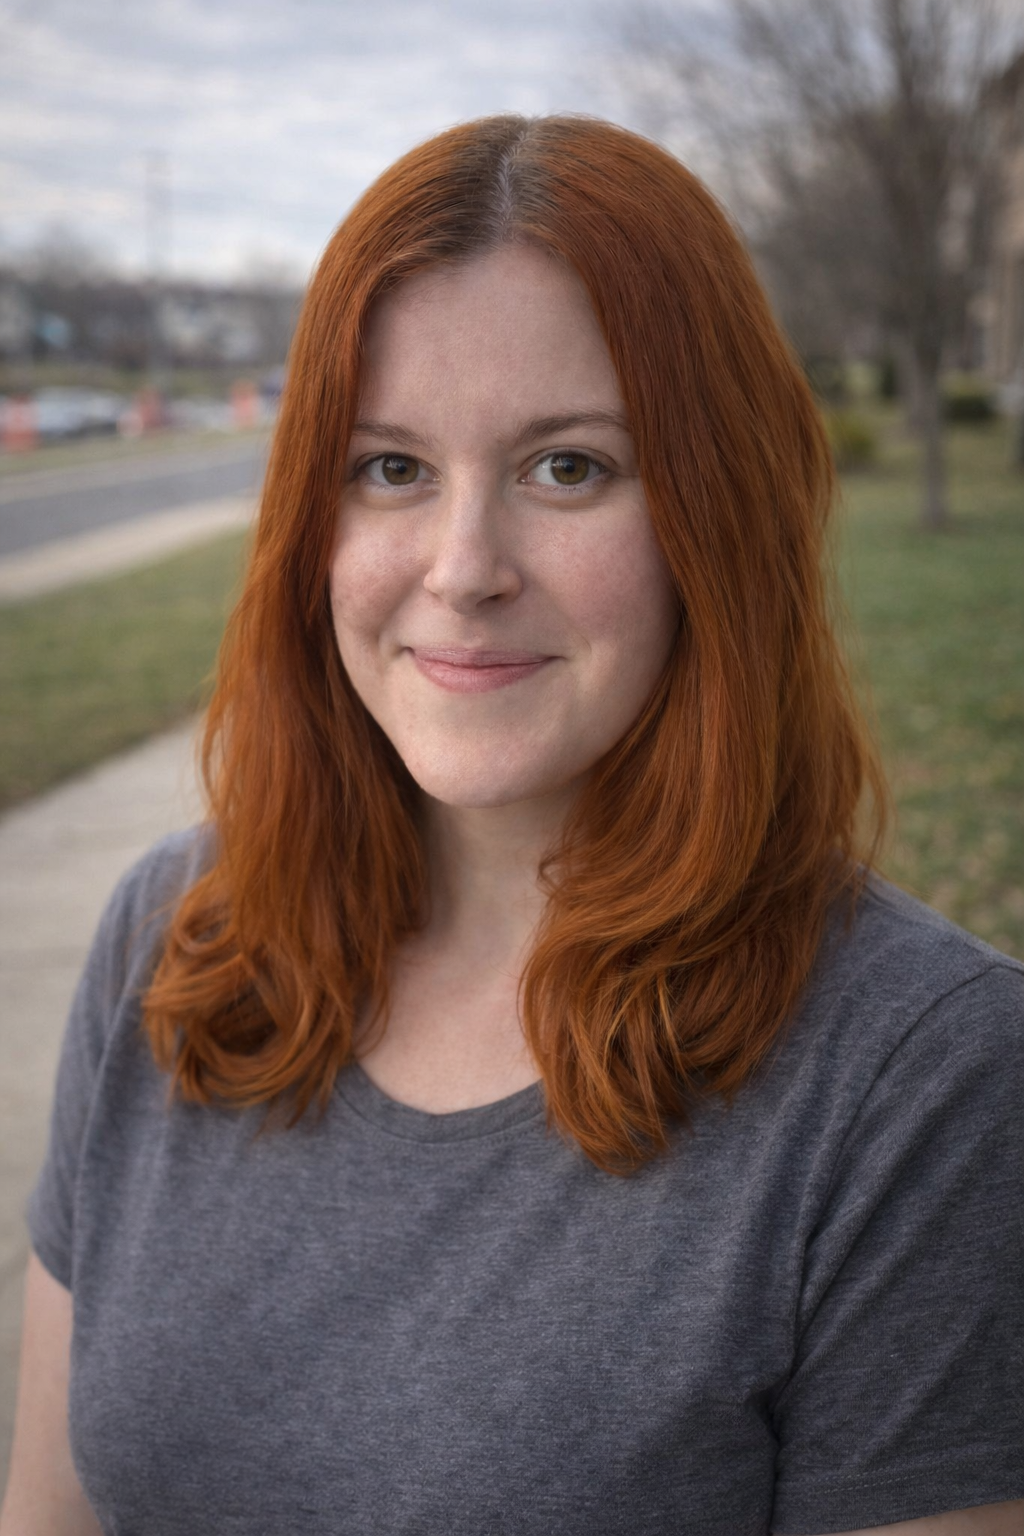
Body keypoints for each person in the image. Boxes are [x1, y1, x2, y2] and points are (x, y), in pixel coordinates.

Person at [2, 114, 1021, 1536]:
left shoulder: (926, 1079)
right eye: (391, 468)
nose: (463, 569)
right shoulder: (172, 939)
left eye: (569, 468)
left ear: (713, 520)